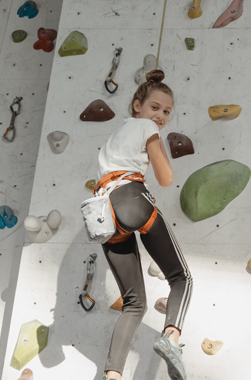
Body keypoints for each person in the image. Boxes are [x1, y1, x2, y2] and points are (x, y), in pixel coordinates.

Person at [95, 69, 192, 380]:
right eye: (155, 107)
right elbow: (166, 179)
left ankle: (112, 376)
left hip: (103, 212)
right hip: (130, 197)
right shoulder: (147, 127)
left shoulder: (113, 139)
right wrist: (157, 147)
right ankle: (171, 340)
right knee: (181, 278)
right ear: (137, 104)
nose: (160, 116)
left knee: (134, 304)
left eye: (166, 111)